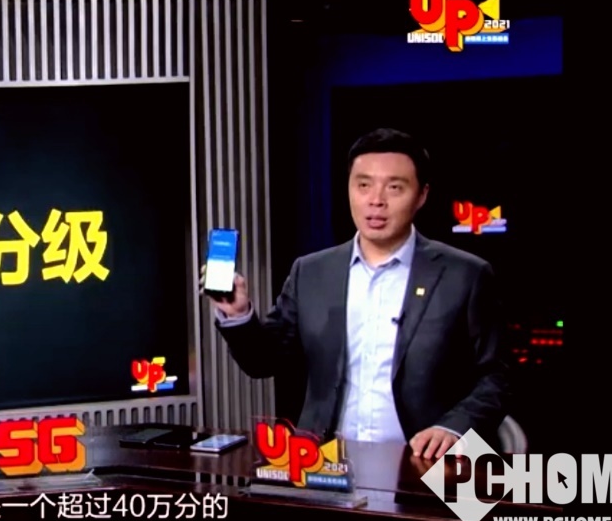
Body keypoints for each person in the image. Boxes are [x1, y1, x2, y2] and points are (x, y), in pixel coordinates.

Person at [205, 128, 510, 459]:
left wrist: (453, 428)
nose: (376, 200)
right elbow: (263, 362)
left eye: (394, 187)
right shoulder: (312, 272)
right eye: (363, 185)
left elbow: (497, 376)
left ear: (422, 195)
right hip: (325, 463)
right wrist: (238, 314)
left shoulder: (464, 275)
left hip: (426, 463)